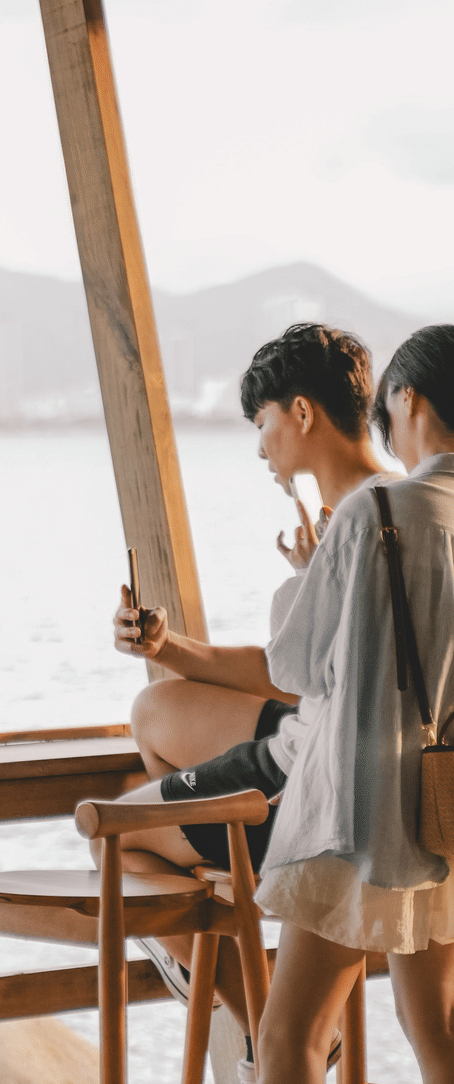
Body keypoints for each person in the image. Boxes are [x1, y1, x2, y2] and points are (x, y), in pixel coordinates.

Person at [116, 324, 454, 1084]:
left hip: (354, 810)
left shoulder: (384, 511)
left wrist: (315, 565)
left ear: (409, 403)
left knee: (293, 1034)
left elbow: (300, 660)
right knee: (440, 1038)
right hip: (443, 814)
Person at [106, 324, 384, 1046]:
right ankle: (222, 894)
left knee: (117, 839)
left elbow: (290, 674)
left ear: (300, 413)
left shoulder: (354, 525)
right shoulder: (382, 505)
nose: (261, 447)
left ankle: (261, 1031)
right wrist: (170, 645)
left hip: (318, 779)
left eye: (262, 424)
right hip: (336, 742)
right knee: (156, 706)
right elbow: (310, 671)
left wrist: (307, 578)